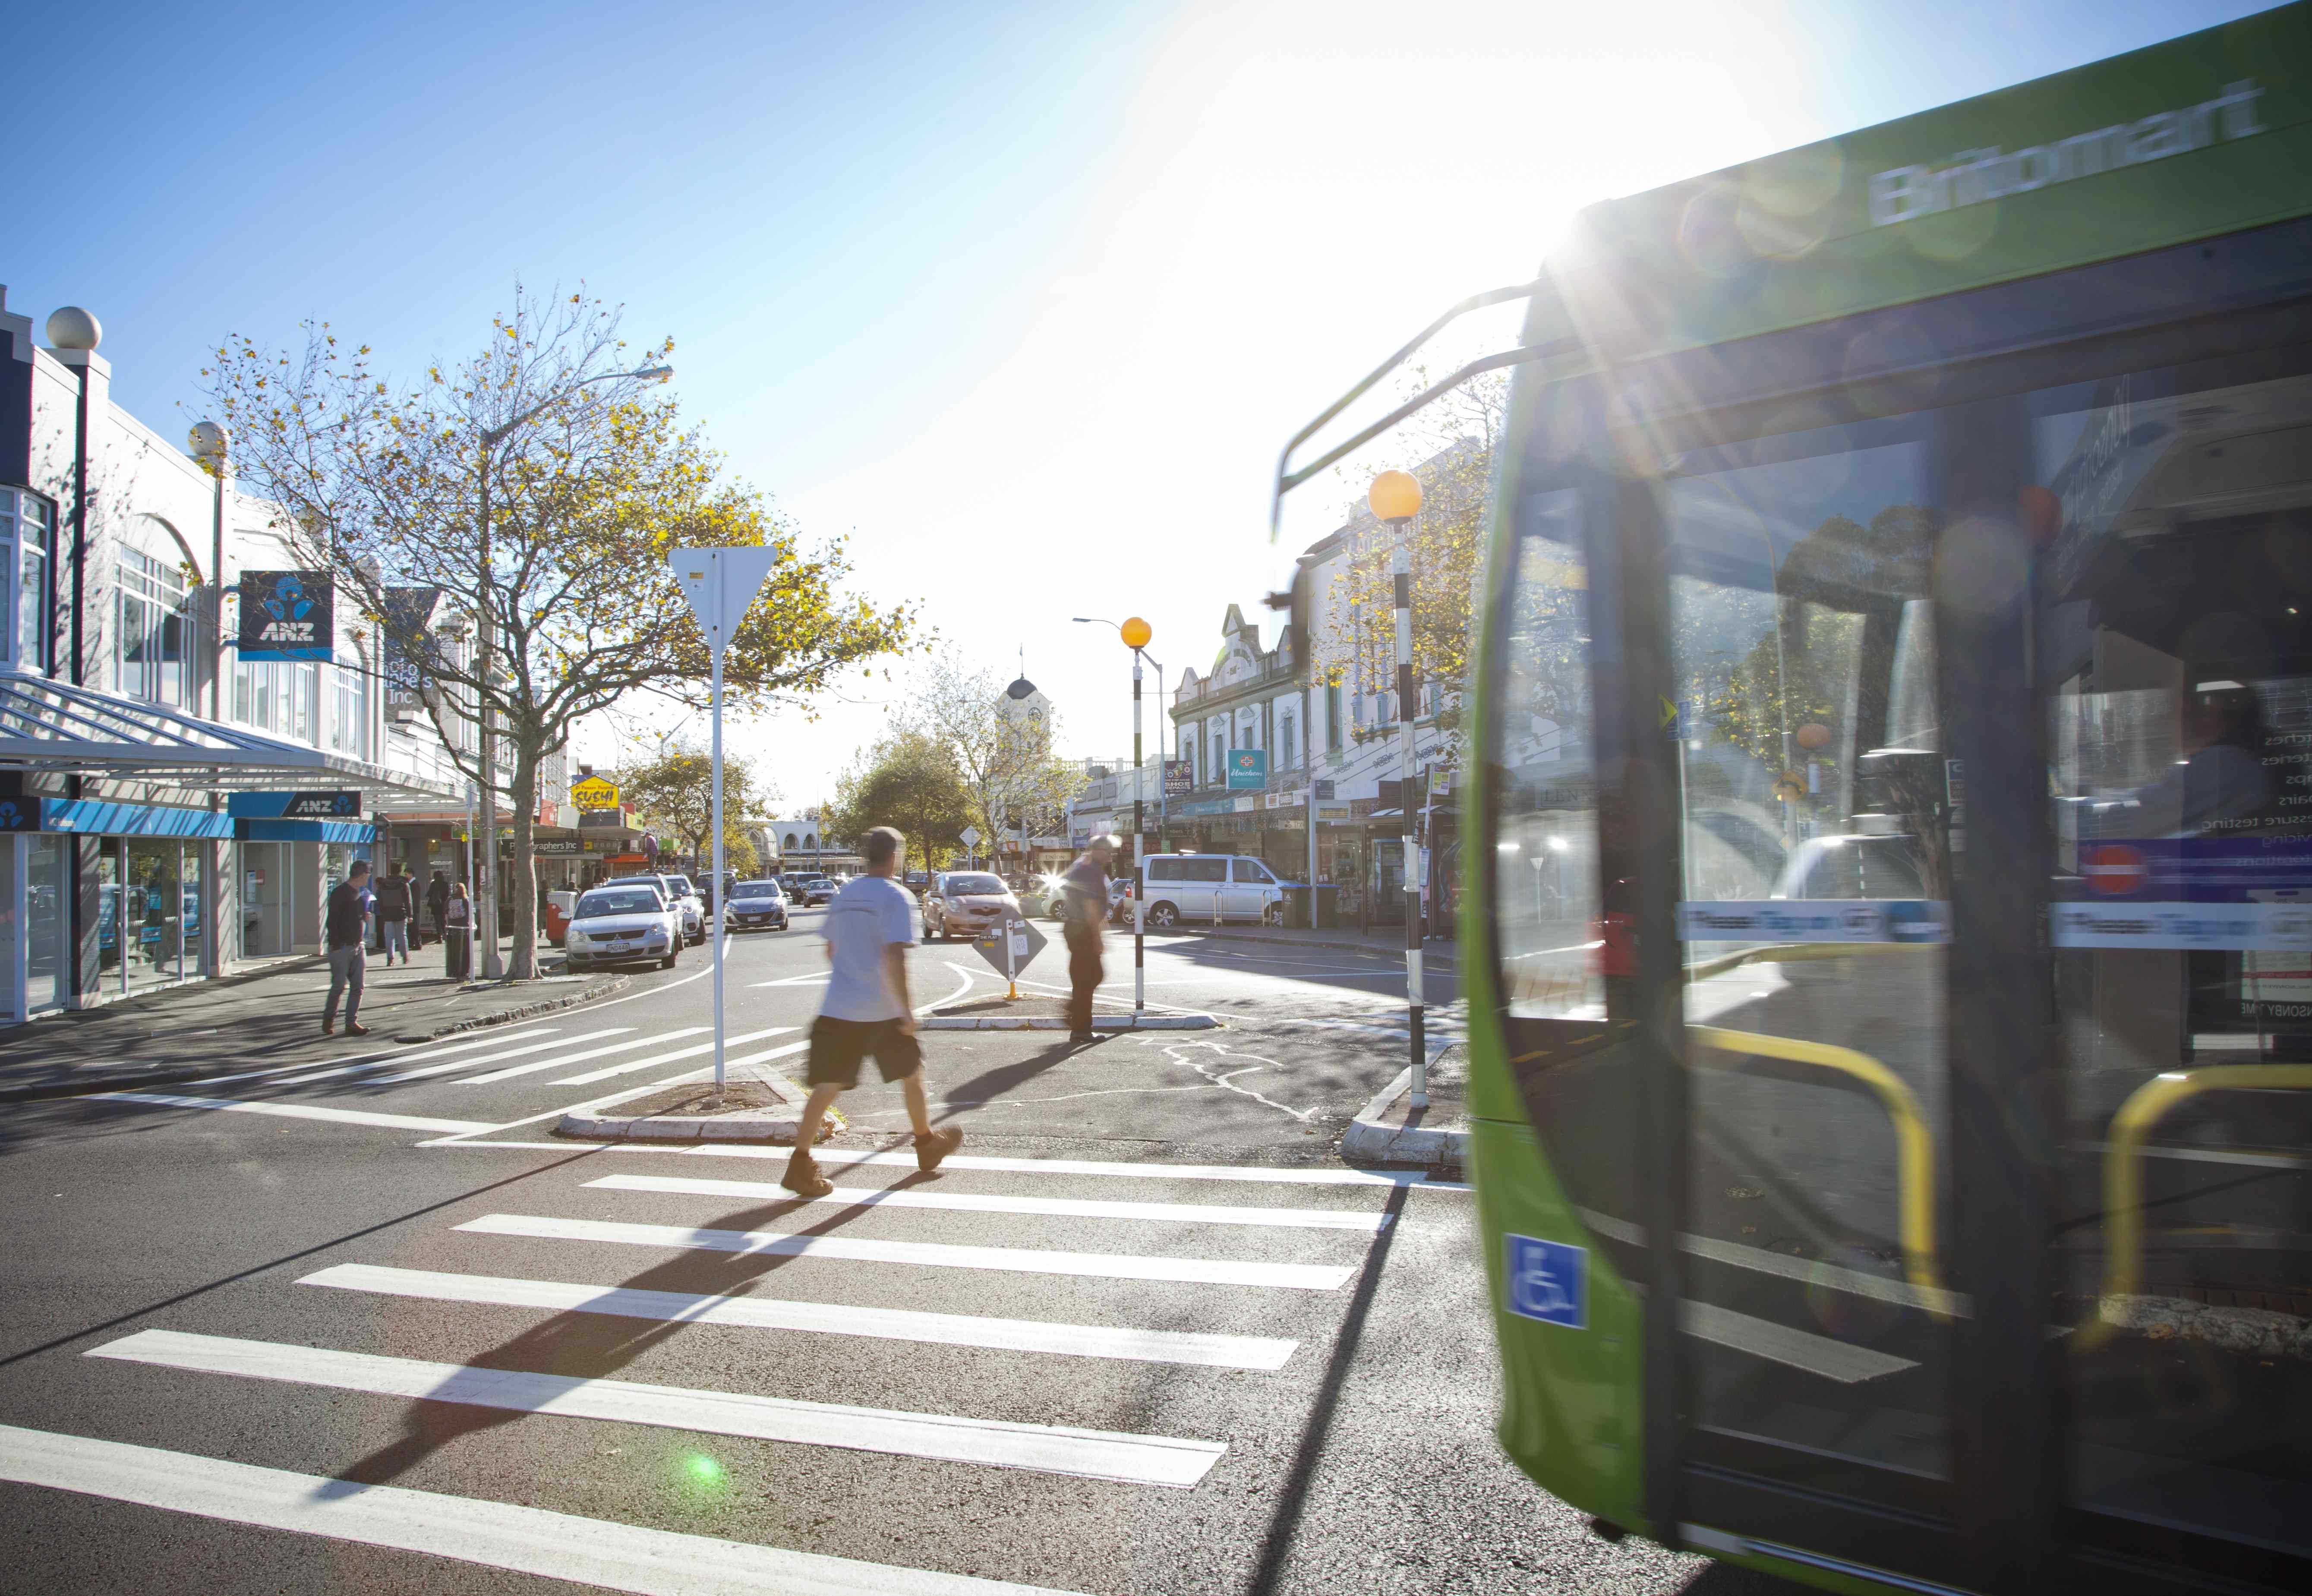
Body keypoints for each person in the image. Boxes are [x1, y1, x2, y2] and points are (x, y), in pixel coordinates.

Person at [782, 825, 962, 1199]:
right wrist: (906, 1011)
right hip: (881, 1010)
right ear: (894, 856)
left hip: (839, 1007)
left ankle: (800, 1163)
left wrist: (852, 973)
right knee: (913, 1074)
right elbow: (895, 955)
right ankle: (926, 1144)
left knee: (826, 1087)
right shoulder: (896, 897)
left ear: (867, 856)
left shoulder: (845, 894)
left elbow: (830, 951)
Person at [1059, 835, 1114, 1044]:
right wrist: (1098, 937)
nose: (1110, 858)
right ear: (1098, 851)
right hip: (1082, 929)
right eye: (1108, 853)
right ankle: (1081, 1030)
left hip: (1074, 928)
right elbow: (1091, 908)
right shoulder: (1091, 871)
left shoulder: (1082, 866)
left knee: (1091, 977)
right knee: (1086, 980)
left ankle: (1075, 1014)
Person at [323, 860, 373, 1037]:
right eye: (368, 874)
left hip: (358, 945)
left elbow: (355, 916)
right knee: (339, 986)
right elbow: (333, 921)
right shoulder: (340, 893)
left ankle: (351, 1023)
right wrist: (335, 944)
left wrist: (364, 917)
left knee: (358, 987)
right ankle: (329, 1019)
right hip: (342, 947)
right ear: (362, 875)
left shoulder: (360, 894)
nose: (369, 877)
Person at [374, 864, 415, 966]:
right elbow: (408, 901)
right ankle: (405, 957)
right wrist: (410, 915)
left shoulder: (383, 884)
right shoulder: (404, 884)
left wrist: (383, 911)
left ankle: (390, 959)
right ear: (400, 871)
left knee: (389, 936)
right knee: (402, 935)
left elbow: (380, 899)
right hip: (401, 912)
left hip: (388, 913)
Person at [443, 881, 473, 979]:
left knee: (454, 950)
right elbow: (470, 914)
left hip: (452, 928)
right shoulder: (465, 900)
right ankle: (464, 971)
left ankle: (453, 971)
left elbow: (446, 914)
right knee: (464, 950)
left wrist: (448, 924)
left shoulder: (450, 899)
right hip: (464, 928)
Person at [426, 870, 451, 946]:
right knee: (444, 922)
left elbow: (429, 893)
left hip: (435, 905)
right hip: (443, 905)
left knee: (437, 922)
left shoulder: (433, 884)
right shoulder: (445, 884)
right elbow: (447, 894)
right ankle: (446, 937)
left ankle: (439, 937)